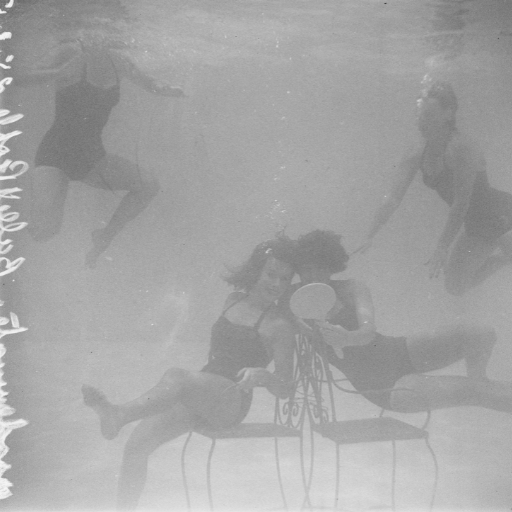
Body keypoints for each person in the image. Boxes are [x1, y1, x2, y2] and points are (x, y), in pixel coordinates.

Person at [82, 236, 297, 510]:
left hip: (231, 401)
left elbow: (287, 387)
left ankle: (119, 413)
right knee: (135, 448)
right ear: (257, 271)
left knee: (177, 376)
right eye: (271, 274)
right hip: (202, 391)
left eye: (285, 279)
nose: (276, 284)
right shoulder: (233, 300)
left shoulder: (280, 325)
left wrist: (264, 377)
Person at [292, 229, 512, 414]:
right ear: (298, 269)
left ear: (331, 266)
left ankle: (482, 385)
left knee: (479, 333)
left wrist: (348, 338)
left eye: (319, 267)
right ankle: (482, 392)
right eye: (306, 268)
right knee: (473, 392)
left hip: (398, 351)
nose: (312, 275)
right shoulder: (293, 304)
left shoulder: (351, 288)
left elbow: (369, 330)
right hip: (383, 386)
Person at [14, 32, 185, 268]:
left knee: (148, 185)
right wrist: (56, 73)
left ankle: (105, 235)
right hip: (55, 155)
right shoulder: (69, 51)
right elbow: (19, 77)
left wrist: (165, 88)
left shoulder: (119, 60)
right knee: (44, 232)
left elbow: (149, 83)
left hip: (93, 159)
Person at [360, 80, 512, 295]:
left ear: (449, 114)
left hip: (503, 217)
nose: (421, 121)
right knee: (455, 288)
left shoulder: (463, 148)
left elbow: (461, 202)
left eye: (428, 115)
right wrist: (371, 233)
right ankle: (504, 259)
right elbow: (392, 199)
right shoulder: (416, 153)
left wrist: (442, 246)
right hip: (477, 227)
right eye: (419, 114)